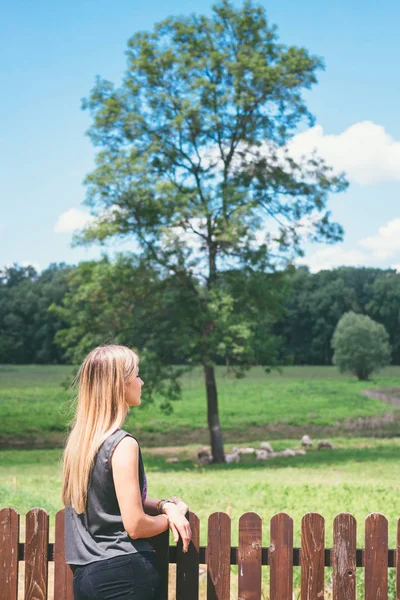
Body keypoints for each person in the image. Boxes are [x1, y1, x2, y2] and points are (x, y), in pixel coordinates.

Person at [62, 344, 192, 600]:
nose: (142, 382)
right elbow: (135, 526)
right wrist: (172, 518)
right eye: (137, 375)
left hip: (86, 578)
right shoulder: (123, 444)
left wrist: (164, 504)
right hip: (124, 575)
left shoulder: (79, 446)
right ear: (119, 384)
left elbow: (115, 500)